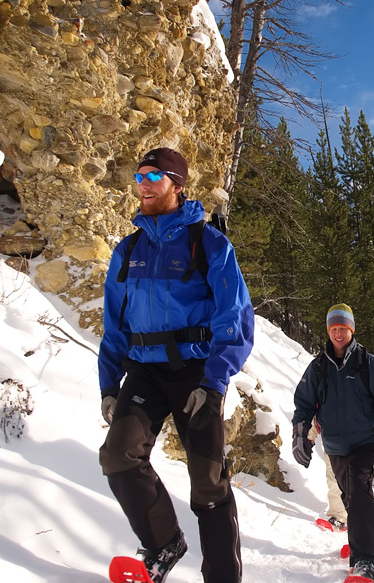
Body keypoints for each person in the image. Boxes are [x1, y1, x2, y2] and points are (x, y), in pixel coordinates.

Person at [97, 147, 255, 583]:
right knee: (118, 457)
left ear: (177, 185)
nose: (143, 184)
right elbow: (114, 325)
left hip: (196, 372)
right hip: (145, 371)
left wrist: (216, 381)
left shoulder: (208, 244)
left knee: (208, 483)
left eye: (153, 176)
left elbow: (235, 317)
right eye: (139, 176)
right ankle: (164, 544)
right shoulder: (128, 250)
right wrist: (109, 385)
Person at [292, 304, 374, 582]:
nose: (337, 334)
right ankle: (361, 542)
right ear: (328, 331)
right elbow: (303, 404)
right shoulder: (318, 367)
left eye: (342, 329)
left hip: (362, 442)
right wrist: (300, 436)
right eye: (333, 329)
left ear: (351, 330)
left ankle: (367, 560)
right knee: (350, 498)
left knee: (358, 494)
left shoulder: (368, 363)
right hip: (334, 445)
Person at [308, 416, 348, 530]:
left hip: (337, 436)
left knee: (337, 475)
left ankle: (341, 515)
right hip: (338, 436)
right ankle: (362, 513)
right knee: (340, 475)